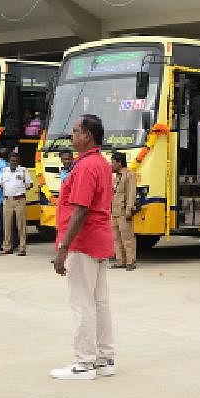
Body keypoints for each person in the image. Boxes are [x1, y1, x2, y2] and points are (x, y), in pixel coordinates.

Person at [51, 114, 115, 381]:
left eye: (75, 131)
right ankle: (104, 358)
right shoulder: (101, 163)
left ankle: (84, 363)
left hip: (83, 240)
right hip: (98, 239)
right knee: (99, 302)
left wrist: (63, 248)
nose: (71, 135)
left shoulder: (87, 166)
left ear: (88, 135)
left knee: (82, 303)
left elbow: (80, 209)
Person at [0, 151, 32, 256]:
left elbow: (30, 183)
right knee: (7, 225)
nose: (14, 163)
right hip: (7, 200)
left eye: (16, 161)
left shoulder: (23, 170)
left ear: (18, 162)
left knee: (21, 225)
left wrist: (26, 186)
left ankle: (22, 248)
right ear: (9, 161)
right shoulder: (4, 171)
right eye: (12, 161)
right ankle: (7, 247)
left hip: (19, 200)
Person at [110, 151, 137, 270]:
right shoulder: (116, 177)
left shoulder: (129, 175)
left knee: (127, 237)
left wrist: (129, 210)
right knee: (116, 238)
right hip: (115, 212)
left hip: (123, 211)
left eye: (113, 162)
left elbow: (131, 194)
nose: (111, 165)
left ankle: (130, 261)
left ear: (119, 163)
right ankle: (120, 261)